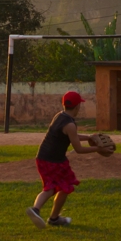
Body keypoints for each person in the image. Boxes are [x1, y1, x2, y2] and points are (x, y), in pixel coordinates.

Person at [27, 90, 100, 228]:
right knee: (51, 188)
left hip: (48, 159)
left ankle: (54, 218)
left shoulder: (60, 116)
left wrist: (89, 137)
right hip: (51, 161)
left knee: (65, 187)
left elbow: (72, 136)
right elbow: (78, 149)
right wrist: (98, 149)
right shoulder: (70, 125)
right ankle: (35, 210)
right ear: (78, 106)